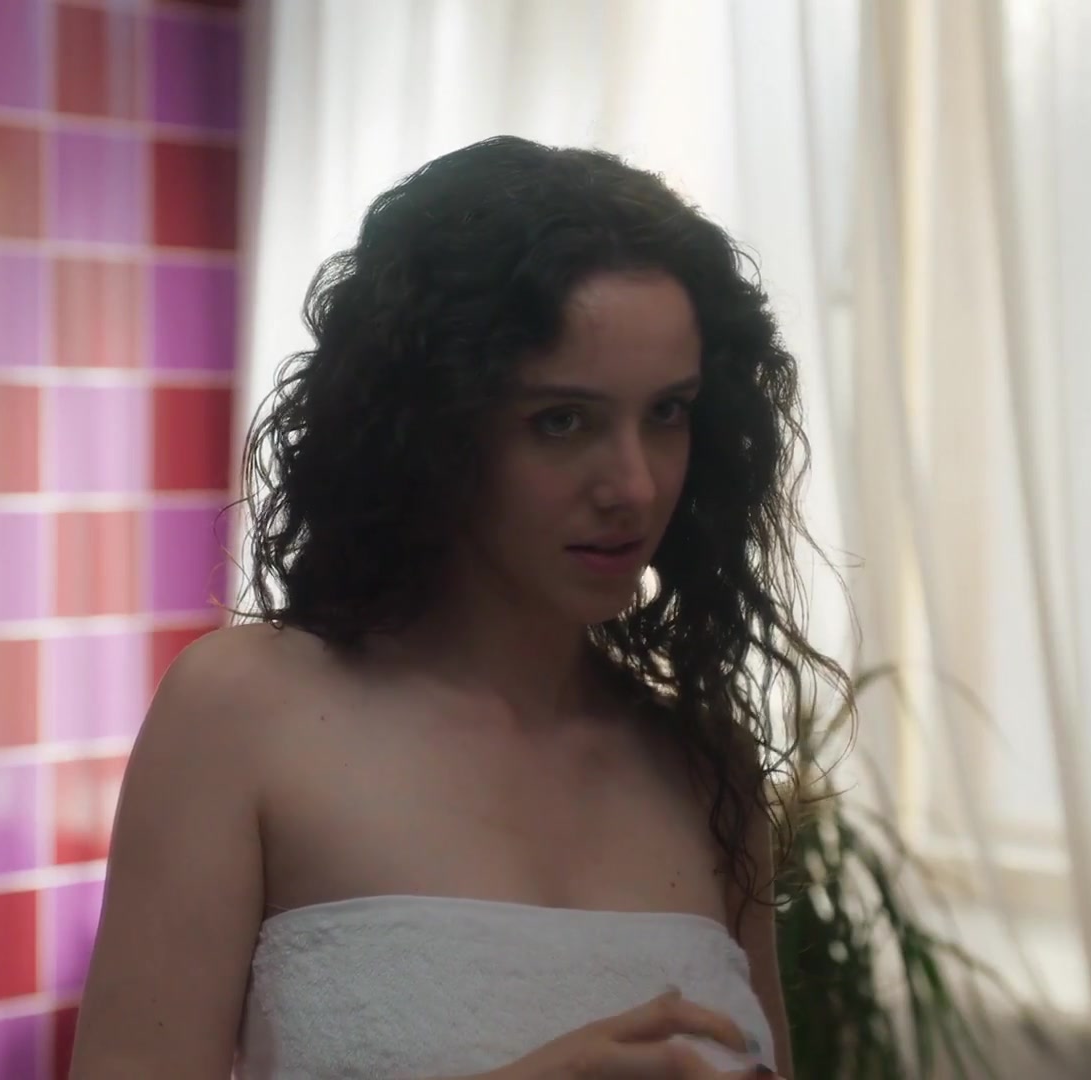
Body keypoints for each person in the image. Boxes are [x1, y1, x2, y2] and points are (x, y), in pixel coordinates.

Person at [67, 136, 846, 1079]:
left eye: (667, 413)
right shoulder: (243, 714)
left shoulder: (703, 762)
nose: (635, 486)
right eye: (562, 421)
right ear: (430, 428)